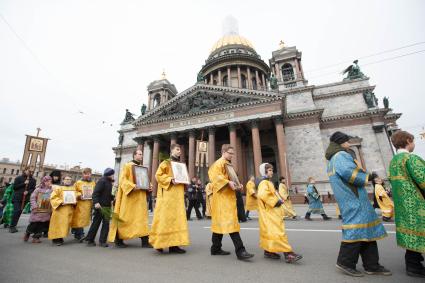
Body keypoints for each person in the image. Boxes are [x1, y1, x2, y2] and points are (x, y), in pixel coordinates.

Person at [326, 131, 390, 277]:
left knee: (366, 230)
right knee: (355, 229)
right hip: (353, 199)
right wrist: (369, 176)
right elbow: (350, 173)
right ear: (341, 142)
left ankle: (372, 265)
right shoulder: (340, 155)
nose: (349, 143)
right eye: (347, 141)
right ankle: (345, 262)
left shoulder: (333, 159)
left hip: (353, 198)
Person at [388, 130, 425, 278]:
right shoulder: (410, 159)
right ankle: (414, 266)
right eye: (413, 141)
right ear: (408, 141)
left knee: (412, 235)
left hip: (403, 205)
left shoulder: (394, 161)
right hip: (417, 203)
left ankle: (414, 264)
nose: (414, 144)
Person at [208, 144, 254, 260]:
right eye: (230, 153)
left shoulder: (228, 164)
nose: (232, 155)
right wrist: (227, 183)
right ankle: (240, 251)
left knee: (220, 224)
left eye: (233, 153)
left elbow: (231, 179)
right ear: (223, 152)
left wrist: (237, 184)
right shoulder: (219, 163)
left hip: (227, 198)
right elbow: (214, 177)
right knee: (231, 223)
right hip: (222, 199)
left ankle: (215, 248)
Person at [257, 163, 302, 263]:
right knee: (278, 232)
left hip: (272, 212)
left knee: (270, 232)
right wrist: (275, 201)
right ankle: (288, 254)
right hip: (270, 213)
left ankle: (268, 251)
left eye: (272, 170)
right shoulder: (264, 183)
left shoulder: (268, 182)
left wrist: (278, 199)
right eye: (269, 170)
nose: (271, 172)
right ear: (264, 171)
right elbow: (263, 194)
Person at [150, 144, 190, 253]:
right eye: (177, 149)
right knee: (165, 219)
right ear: (171, 150)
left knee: (176, 220)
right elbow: (158, 176)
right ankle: (160, 243)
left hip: (177, 197)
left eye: (180, 150)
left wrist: (186, 180)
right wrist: (170, 179)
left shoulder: (180, 165)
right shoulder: (166, 162)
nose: (179, 151)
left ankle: (174, 245)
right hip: (167, 197)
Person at [107, 149, 152, 248]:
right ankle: (118, 239)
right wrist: (132, 186)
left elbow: (145, 181)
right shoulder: (127, 166)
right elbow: (123, 180)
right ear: (134, 155)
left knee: (142, 219)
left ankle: (145, 241)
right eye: (139, 154)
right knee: (125, 218)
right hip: (130, 198)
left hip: (140, 198)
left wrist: (149, 186)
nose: (141, 156)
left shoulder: (142, 168)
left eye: (142, 154)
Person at [85, 168, 114, 247]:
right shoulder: (102, 181)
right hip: (100, 206)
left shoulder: (109, 182)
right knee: (96, 223)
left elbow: (108, 194)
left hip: (107, 206)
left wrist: (113, 197)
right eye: (112, 174)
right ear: (108, 174)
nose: (113, 176)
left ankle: (102, 241)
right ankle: (90, 240)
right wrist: (96, 202)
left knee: (106, 224)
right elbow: (95, 193)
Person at [48, 175, 79, 246]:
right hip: (59, 210)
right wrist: (61, 202)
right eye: (67, 179)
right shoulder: (58, 188)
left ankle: (60, 238)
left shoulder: (73, 189)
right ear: (63, 180)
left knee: (64, 225)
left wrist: (75, 201)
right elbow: (53, 198)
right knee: (57, 224)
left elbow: (75, 198)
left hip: (68, 210)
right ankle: (55, 239)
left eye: (70, 179)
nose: (68, 180)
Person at [24, 176, 53, 243]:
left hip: (45, 211)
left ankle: (36, 238)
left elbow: (52, 199)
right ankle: (27, 233)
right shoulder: (38, 189)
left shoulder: (51, 190)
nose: (49, 182)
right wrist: (34, 206)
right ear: (43, 182)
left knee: (41, 225)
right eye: (47, 181)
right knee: (34, 224)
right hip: (37, 210)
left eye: (50, 181)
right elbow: (32, 198)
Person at [9, 167, 36, 233]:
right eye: (28, 171)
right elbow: (15, 187)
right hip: (17, 197)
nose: (30, 172)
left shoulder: (33, 180)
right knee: (17, 210)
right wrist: (24, 183)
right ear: (25, 170)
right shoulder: (18, 178)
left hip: (25, 198)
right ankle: (12, 226)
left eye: (31, 171)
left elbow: (33, 189)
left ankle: (14, 224)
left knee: (19, 211)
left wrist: (28, 192)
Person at [71, 168, 96, 241]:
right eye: (85, 174)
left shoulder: (93, 183)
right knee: (79, 219)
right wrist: (79, 195)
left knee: (83, 219)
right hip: (80, 204)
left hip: (88, 204)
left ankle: (77, 232)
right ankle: (80, 234)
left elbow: (95, 192)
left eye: (88, 174)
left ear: (91, 174)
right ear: (83, 174)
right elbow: (74, 191)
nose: (87, 175)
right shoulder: (78, 182)